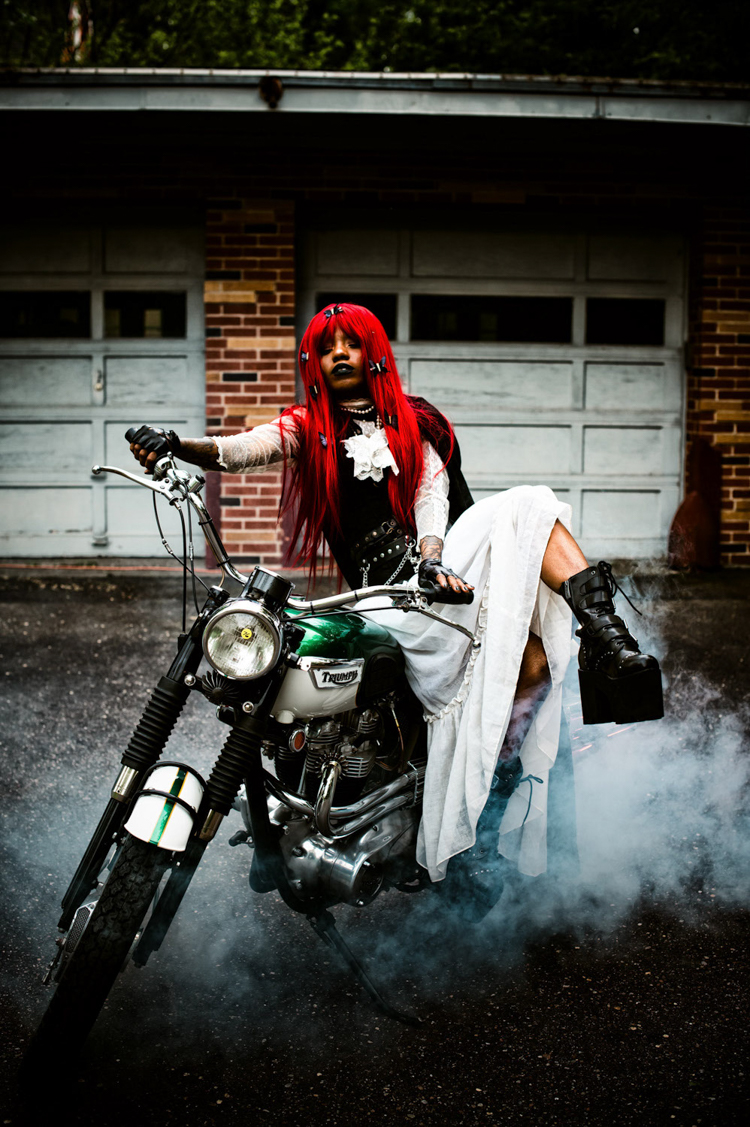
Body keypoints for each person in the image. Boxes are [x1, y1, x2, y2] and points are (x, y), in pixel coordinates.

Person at [129, 302, 662, 919]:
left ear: (374, 351)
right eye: (326, 348)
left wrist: (433, 560)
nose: (339, 355)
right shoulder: (310, 426)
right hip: (382, 599)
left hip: (442, 579)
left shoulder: (416, 422)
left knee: (530, 546)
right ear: (315, 363)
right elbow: (244, 448)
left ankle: (603, 638)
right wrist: (178, 446)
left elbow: (431, 494)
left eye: (351, 344)